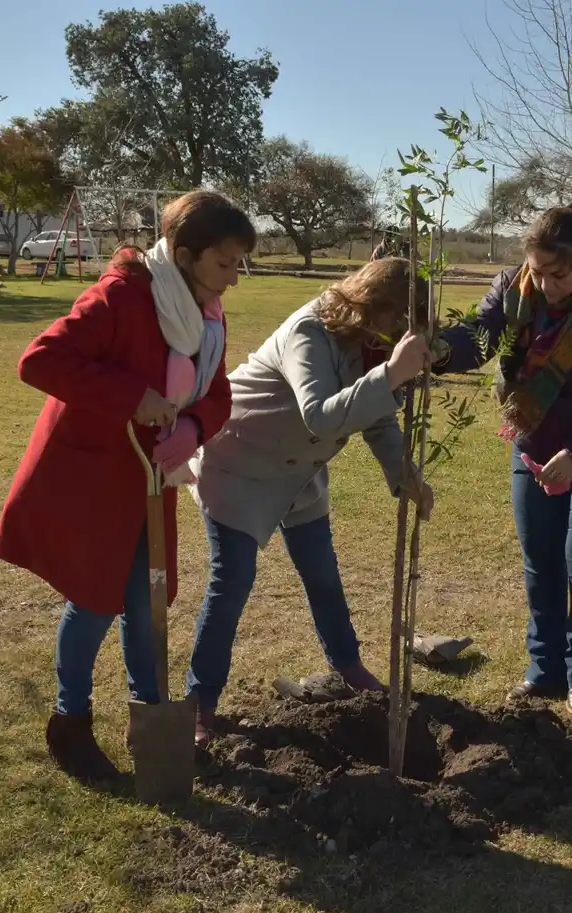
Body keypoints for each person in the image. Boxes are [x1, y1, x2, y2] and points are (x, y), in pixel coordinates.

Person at [0, 191, 257, 782]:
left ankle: (151, 719)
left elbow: (217, 394)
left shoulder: (207, 316)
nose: (234, 278)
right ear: (184, 256)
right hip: (92, 480)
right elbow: (40, 360)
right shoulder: (120, 297)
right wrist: (132, 397)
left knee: (146, 603)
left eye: (239, 264)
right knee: (94, 601)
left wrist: (191, 426)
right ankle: (70, 722)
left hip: (152, 481)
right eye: (224, 263)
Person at [185, 257, 436, 745]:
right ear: (373, 306)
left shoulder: (369, 344)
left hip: (297, 473)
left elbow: (377, 417)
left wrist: (406, 476)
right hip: (239, 463)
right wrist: (391, 374)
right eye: (399, 321)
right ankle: (199, 705)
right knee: (232, 582)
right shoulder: (309, 331)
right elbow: (320, 415)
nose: (400, 334)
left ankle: (349, 667)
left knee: (322, 574)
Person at [434, 201, 572, 717]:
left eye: (558, 275)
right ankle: (544, 671)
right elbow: (480, 336)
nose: (545, 285)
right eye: (537, 272)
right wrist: (439, 350)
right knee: (541, 558)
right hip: (535, 441)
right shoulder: (515, 287)